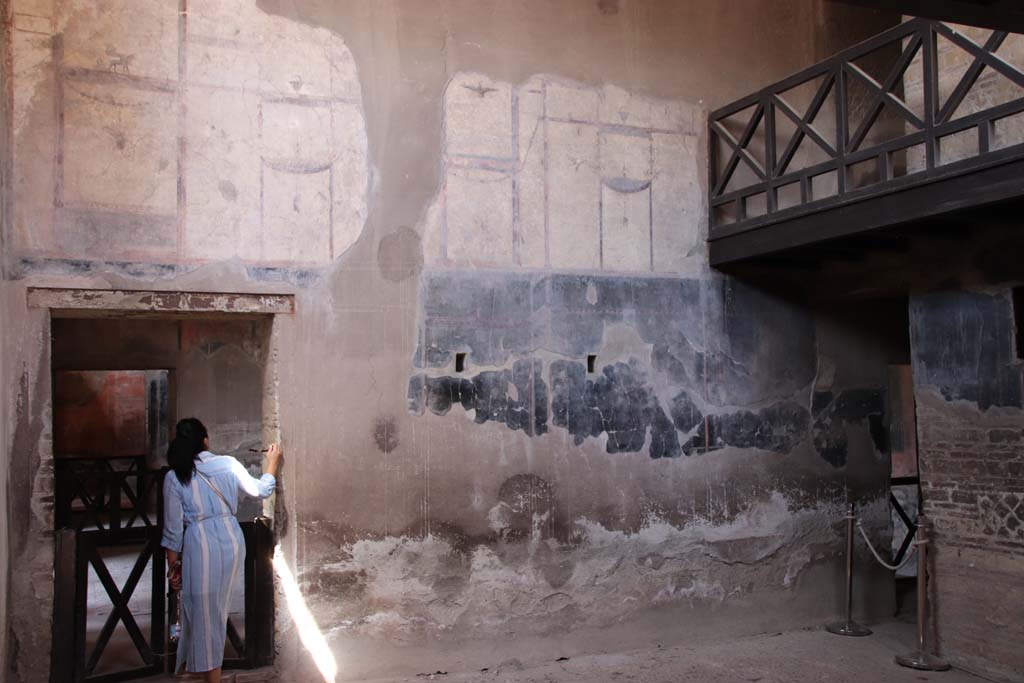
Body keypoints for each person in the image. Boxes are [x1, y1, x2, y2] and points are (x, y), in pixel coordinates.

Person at [161, 418, 281, 683]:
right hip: (231, 539)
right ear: (205, 441)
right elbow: (261, 490)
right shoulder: (227, 463)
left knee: (205, 612)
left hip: (200, 542)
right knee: (214, 608)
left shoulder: (175, 475)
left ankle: (209, 677)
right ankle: (198, 669)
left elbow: (172, 530)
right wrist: (272, 462)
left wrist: (173, 566)